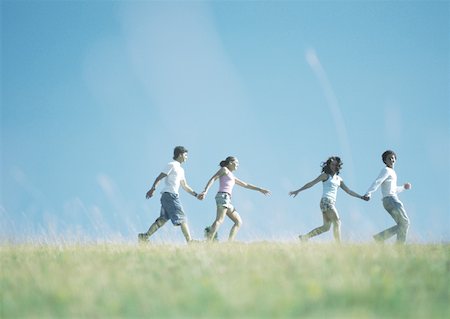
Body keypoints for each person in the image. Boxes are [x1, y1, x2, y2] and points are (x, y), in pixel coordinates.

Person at [289, 156, 367, 243]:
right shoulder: (325, 176)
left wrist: (361, 197)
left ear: (338, 166)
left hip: (328, 203)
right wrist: (298, 190)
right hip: (326, 201)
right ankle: (339, 246)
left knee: (326, 227)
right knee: (337, 222)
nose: (333, 166)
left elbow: (348, 191)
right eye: (332, 165)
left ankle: (305, 237)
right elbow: (311, 183)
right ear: (329, 165)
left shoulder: (339, 179)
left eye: (335, 165)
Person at [198, 156, 270, 241]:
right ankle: (208, 241)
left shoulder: (232, 176)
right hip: (223, 196)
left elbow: (245, 185)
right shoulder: (224, 170)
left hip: (227, 200)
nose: (238, 165)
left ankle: (230, 242)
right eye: (237, 162)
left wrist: (260, 189)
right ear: (231, 162)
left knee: (238, 221)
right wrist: (205, 191)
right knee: (219, 220)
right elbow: (213, 179)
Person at [138, 146, 200, 244]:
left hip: (168, 196)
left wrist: (196, 195)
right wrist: (153, 188)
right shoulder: (172, 165)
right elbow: (160, 177)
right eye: (185, 155)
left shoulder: (181, 170)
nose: (187, 157)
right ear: (180, 154)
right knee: (182, 217)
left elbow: (184, 186)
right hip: (170, 195)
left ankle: (144, 237)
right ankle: (190, 241)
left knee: (162, 219)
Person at [364, 150, 411, 244]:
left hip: (388, 200)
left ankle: (392, 243)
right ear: (385, 161)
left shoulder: (392, 172)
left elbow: (392, 189)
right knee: (405, 223)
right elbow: (378, 181)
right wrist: (368, 193)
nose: (391, 160)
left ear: (395, 159)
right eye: (389, 158)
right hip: (391, 200)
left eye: (393, 158)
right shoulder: (386, 170)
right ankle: (383, 238)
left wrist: (403, 187)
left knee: (402, 224)